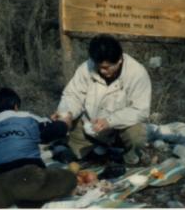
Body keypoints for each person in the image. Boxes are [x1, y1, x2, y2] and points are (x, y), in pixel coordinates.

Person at [53, 34, 151, 166]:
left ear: (120, 60)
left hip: (119, 127)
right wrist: (66, 114)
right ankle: (93, 154)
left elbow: (140, 110)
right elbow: (73, 95)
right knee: (69, 125)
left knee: (136, 135)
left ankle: (129, 159)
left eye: (107, 67)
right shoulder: (86, 68)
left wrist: (110, 121)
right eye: (99, 66)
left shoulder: (137, 73)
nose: (103, 71)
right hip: (91, 125)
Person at [0, 87, 77, 208]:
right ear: (16, 106)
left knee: (5, 189)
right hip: (27, 180)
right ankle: (30, 200)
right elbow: (53, 131)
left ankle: (20, 200)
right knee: (69, 178)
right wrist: (64, 123)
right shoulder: (25, 117)